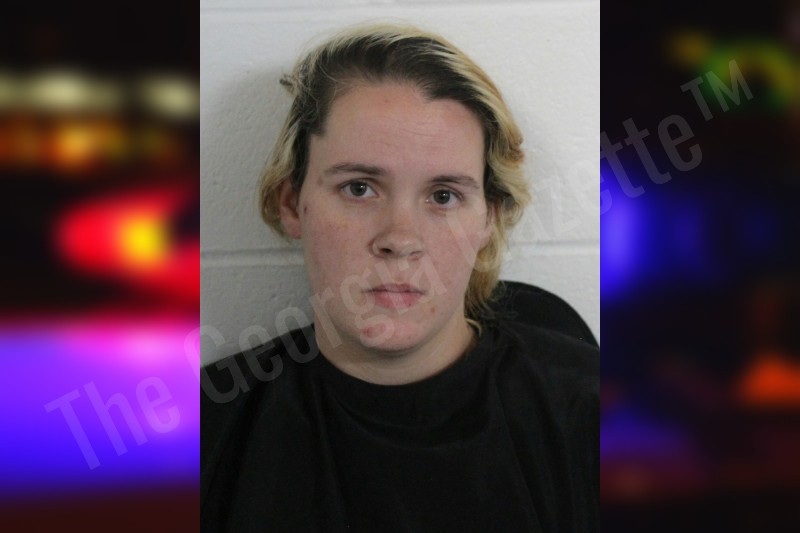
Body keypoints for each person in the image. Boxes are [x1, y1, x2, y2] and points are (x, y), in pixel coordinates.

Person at [201, 23, 598, 532]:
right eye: (359, 188)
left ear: (489, 219)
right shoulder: (199, 435)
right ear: (292, 202)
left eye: (443, 196)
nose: (400, 238)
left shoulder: (600, 417)